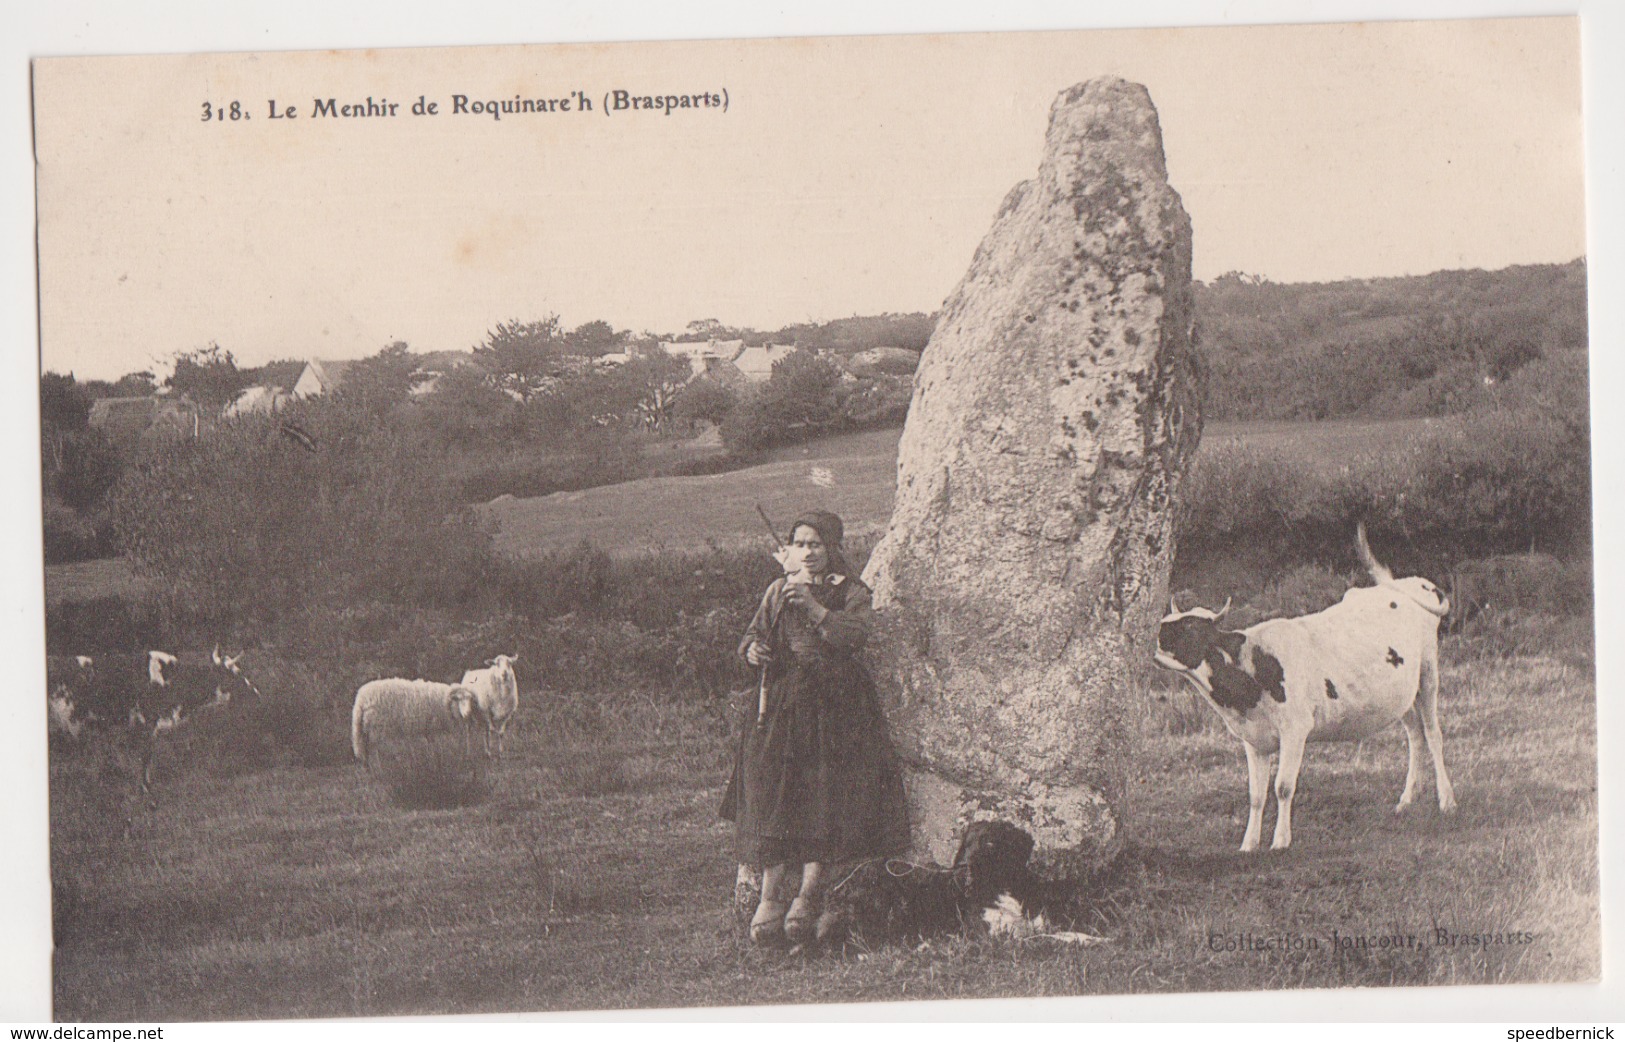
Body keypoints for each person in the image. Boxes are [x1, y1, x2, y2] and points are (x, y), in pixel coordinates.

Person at [719, 509, 910, 947]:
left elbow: (855, 636)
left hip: (835, 706)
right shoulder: (776, 591)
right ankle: (769, 897)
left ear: (833, 549)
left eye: (816, 544)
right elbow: (751, 637)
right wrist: (754, 653)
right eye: (800, 543)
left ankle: (808, 894)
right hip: (782, 707)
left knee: (823, 793)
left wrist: (816, 608)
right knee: (775, 791)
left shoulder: (852, 592)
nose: (807, 552)